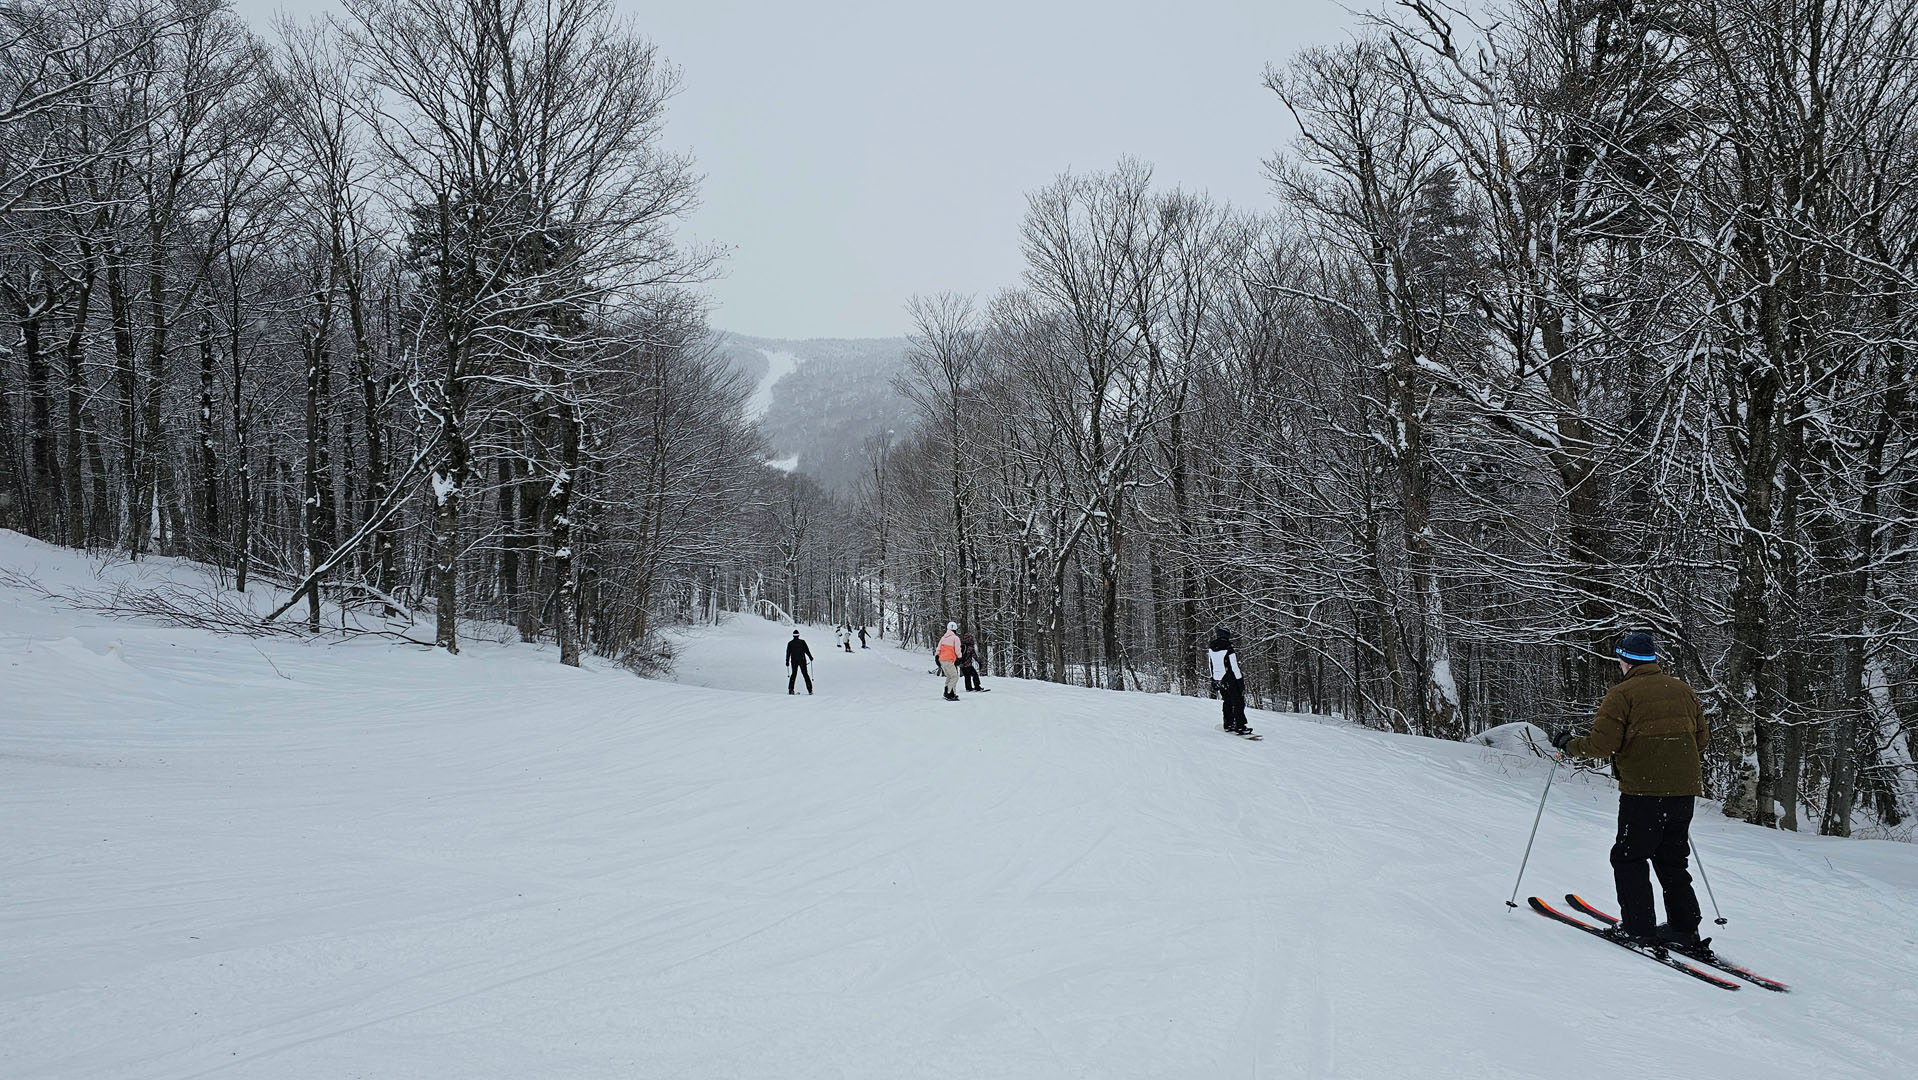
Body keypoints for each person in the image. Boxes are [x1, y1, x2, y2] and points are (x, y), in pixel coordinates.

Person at [1553, 631, 1709, 948]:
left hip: (1644, 793)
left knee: (1629, 857)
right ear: (1652, 659)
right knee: (1673, 860)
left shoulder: (1622, 694)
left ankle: (1638, 928)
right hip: (1683, 793)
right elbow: (1702, 740)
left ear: (1624, 660)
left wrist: (1569, 746)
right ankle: (1684, 928)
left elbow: (1602, 744)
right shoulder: (1683, 690)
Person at [1207, 627, 1250, 735]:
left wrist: (1213, 679)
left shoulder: (1211, 648)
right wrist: (1240, 681)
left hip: (1219, 678)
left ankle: (1228, 724)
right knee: (1238, 702)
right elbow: (1234, 666)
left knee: (1227, 701)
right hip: (1230, 677)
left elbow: (1210, 665)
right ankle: (1240, 726)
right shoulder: (1228, 648)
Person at [935, 621, 963, 701]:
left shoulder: (943, 638)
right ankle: (948, 692)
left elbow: (938, 649)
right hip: (949, 660)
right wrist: (960, 657)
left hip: (942, 660)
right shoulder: (955, 638)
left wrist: (937, 657)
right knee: (954, 677)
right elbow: (957, 649)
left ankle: (951, 693)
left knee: (949, 676)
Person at [786, 629, 814, 695]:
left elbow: (788, 653)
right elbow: (807, 650)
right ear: (798, 635)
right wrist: (810, 657)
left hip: (794, 660)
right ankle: (810, 690)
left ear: (793, 636)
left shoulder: (790, 643)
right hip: (802, 660)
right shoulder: (802, 642)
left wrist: (787, 661)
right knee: (805, 674)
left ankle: (791, 689)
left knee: (793, 674)